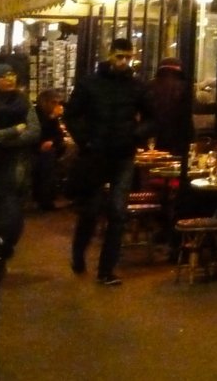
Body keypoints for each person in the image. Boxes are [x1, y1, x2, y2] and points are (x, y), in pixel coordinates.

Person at [66, 37, 153, 285]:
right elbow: (73, 115)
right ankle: (79, 254)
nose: (124, 61)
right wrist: (86, 140)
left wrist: (135, 135)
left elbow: (152, 117)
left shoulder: (137, 86)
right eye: (120, 56)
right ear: (110, 55)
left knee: (117, 212)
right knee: (91, 210)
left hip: (122, 153)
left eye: (128, 57)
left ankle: (106, 270)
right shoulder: (90, 84)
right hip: (96, 154)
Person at [0, 64, 40, 261]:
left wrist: (0, 138)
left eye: (12, 74)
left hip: (15, 168)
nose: (10, 79)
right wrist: (14, 130)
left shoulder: (23, 102)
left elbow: (34, 132)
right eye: (4, 75)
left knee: (11, 216)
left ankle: (4, 249)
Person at [147, 57, 194, 157]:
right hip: (179, 140)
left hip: (153, 137)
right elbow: (187, 118)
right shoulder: (184, 87)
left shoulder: (150, 86)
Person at [32, 89, 69, 210]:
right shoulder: (35, 114)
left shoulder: (51, 117)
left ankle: (60, 192)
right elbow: (36, 133)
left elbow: (57, 135)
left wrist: (52, 141)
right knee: (47, 161)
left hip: (49, 149)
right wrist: (52, 117)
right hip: (33, 149)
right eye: (54, 102)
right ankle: (45, 200)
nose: (57, 105)